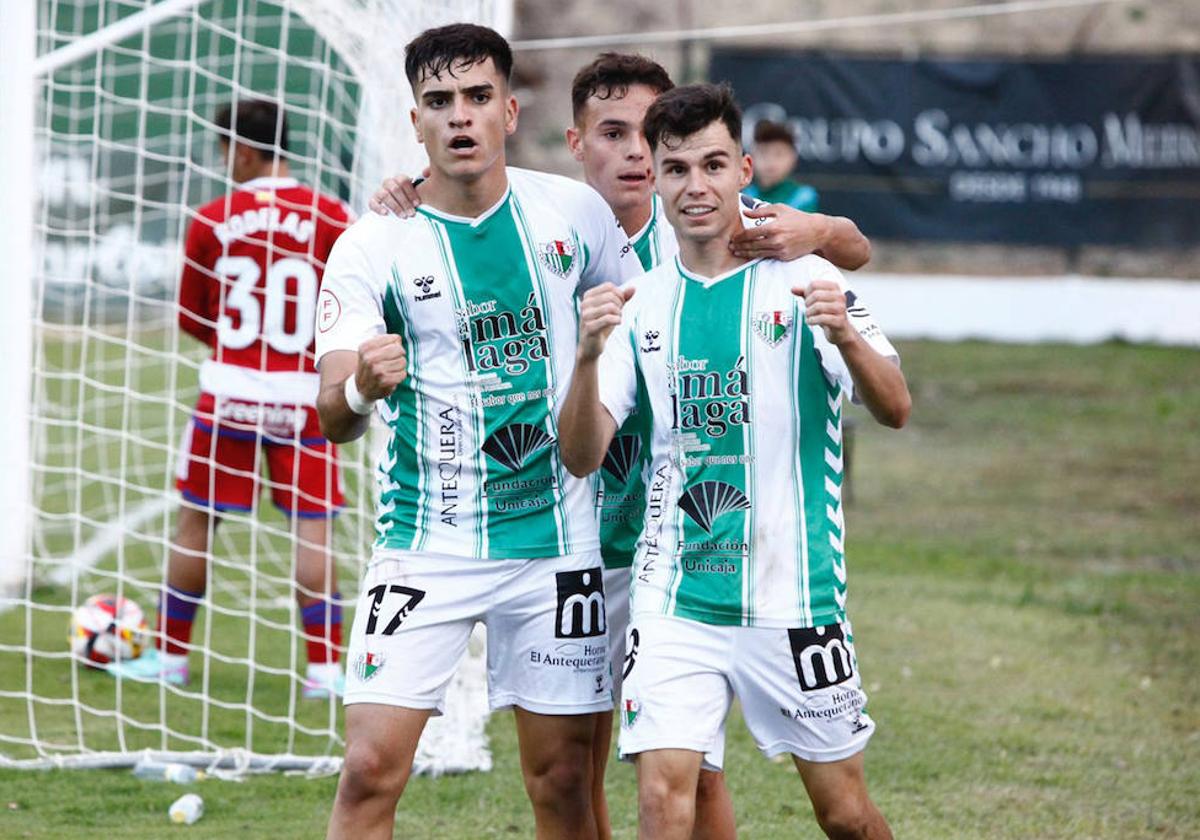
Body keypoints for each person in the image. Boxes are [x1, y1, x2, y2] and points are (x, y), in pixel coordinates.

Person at [371, 51, 875, 840]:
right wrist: (406, 194)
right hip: (576, 541)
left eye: (652, 136)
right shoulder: (560, 223)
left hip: (685, 552)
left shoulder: (707, 236)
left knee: (688, 777)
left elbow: (846, 254)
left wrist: (822, 227)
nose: (638, 153)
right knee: (573, 773)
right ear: (577, 143)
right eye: (616, 133)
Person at [557, 83, 909, 840]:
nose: (696, 186)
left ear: (744, 171)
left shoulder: (810, 278)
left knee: (844, 814)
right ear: (654, 177)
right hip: (675, 594)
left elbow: (896, 407)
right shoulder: (640, 304)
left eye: (713, 165)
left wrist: (845, 336)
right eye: (676, 169)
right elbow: (581, 456)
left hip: (796, 594)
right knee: (661, 800)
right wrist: (586, 359)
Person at [314, 24, 638, 840]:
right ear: (415, 120)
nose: (460, 117)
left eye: (476, 97)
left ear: (508, 110)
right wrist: (362, 383)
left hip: (559, 544)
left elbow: (641, 333)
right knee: (367, 772)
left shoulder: (573, 214)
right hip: (427, 545)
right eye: (439, 102)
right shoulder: (371, 244)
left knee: (564, 781)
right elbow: (331, 415)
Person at [107, 100, 352, 699]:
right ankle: (324, 672)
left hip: (230, 396)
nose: (224, 162)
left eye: (224, 150)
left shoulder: (213, 217)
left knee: (195, 523)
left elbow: (195, 318)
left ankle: (169, 659)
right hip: (306, 401)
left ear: (241, 149)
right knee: (312, 530)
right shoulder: (331, 216)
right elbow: (348, 308)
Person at [745, 120, 819, 212]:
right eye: (763, 153)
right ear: (751, 157)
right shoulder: (742, 196)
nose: (770, 161)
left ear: (793, 158)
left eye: (779, 154)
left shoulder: (804, 197)